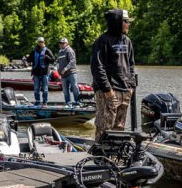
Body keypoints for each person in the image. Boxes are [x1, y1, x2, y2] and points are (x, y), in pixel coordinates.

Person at [89, 8, 137, 141]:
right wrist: (107, 90)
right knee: (104, 128)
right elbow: (97, 67)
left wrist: (131, 86)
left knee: (119, 129)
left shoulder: (127, 41)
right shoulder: (102, 41)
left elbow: (131, 65)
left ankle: (116, 152)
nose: (128, 24)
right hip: (108, 92)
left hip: (125, 91)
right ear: (117, 22)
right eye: (126, 21)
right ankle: (100, 153)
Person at [28, 37, 54, 106]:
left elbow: (53, 60)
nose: (40, 43)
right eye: (39, 42)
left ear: (44, 42)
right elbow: (28, 60)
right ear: (38, 42)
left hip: (44, 73)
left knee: (45, 89)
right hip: (36, 73)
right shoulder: (34, 51)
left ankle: (45, 102)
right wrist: (29, 58)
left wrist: (47, 57)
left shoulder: (47, 50)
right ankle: (37, 101)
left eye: (42, 42)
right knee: (36, 88)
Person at [56, 37, 80, 107]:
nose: (62, 44)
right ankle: (68, 103)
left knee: (75, 88)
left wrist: (65, 69)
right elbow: (58, 62)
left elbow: (72, 61)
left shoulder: (69, 50)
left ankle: (78, 103)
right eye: (61, 43)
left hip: (71, 73)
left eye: (63, 43)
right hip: (63, 75)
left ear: (67, 43)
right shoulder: (60, 52)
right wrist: (58, 69)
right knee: (65, 90)